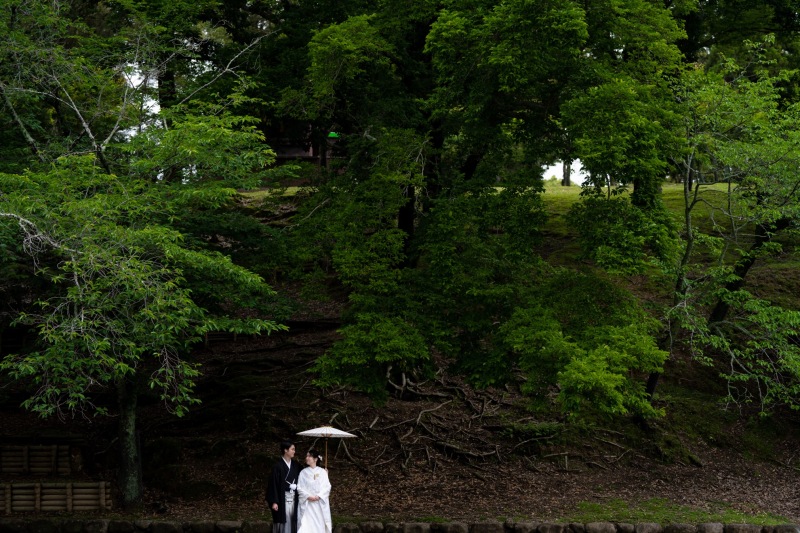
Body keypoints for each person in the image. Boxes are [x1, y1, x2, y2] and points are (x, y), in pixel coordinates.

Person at [266, 440, 302, 533]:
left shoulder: (296, 465)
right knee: (284, 520)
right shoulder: (277, 466)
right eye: (292, 449)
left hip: (294, 498)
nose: (294, 451)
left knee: (294, 519)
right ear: (286, 450)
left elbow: (306, 473)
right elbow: (272, 484)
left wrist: (321, 471)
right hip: (283, 498)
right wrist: (274, 501)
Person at [296, 449, 332, 533]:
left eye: (309, 456)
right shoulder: (303, 472)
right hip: (307, 505)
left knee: (318, 527)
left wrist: (318, 496)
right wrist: (308, 496)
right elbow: (299, 487)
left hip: (319, 505)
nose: (307, 458)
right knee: (306, 526)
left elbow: (327, 487)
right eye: (306, 456)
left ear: (315, 459)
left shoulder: (322, 472)